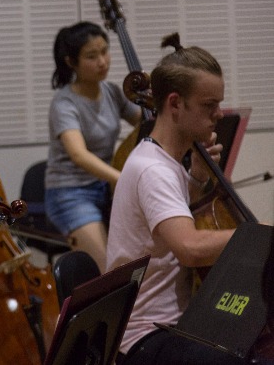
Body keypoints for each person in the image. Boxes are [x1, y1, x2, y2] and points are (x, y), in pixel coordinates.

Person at [106, 33, 259, 364]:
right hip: (144, 337)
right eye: (209, 105)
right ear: (175, 103)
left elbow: (164, 221)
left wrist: (198, 177)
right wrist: (258, 237)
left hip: (174, 323)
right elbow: (188, 248)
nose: (219, 114)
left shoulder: (163, 161)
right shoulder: (153, 170)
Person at [45, 21, 141, 272]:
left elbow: (146, 122)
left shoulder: (112, 91)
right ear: (71, 62)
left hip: (106, 188)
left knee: (141, 258)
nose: (103, 61)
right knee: (109, 271)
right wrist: (123, 178)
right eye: (91, 56)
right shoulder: (64, 103)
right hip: (70, 194)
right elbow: (78, 154)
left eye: (104, 51)